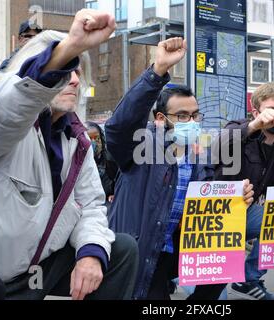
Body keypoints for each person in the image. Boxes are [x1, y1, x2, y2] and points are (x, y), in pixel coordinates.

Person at [0, 9, 138, 300]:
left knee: (120, 250)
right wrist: (69, 48)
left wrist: (90, 253)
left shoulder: (76, 140)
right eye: (63, 71)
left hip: (34, 274)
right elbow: (13, 104)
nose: (73, 80)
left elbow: (91, 205)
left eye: (77, 71)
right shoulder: (3, 122)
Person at [105, 37, 254, 300]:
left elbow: (205, 207)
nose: (192, 122)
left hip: (171, 254)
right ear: (161, 119)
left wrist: (235, 200)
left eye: (195, 115)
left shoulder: (200, 156)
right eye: (183, 116)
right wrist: (157, 71)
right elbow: (119, 126)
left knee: (223, 267)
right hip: (136, 254)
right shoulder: (141, 146)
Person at [214, 83, 274, 300]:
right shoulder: (239, 128)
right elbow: (217, 147)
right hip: (215, 214)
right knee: (215, 298)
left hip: (245, 211)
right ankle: (175, 273)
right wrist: (254, 126)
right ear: (256, 112)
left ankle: (249, 279)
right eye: (271, 108)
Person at [86, 121, 118, 205]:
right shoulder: (77, 163)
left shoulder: (110, 159)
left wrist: (115, 194)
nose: (94, 143)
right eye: (89, 139)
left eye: (97, 139)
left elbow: (119, 181)